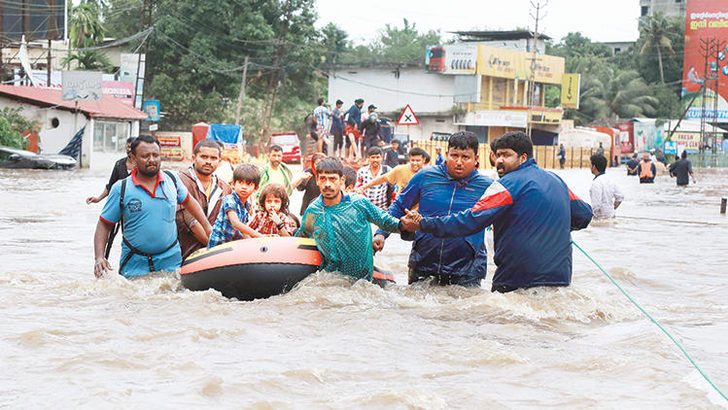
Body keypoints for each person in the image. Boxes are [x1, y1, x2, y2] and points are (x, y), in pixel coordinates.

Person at [400, 131, 593, 293]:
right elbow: (584, 215)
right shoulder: (556, 181)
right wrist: (548, 225)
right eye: (497, 155)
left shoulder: (506, 185)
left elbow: (471, 220)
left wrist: (423, 223)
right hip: (560, 278)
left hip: (515, 279)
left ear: (523, 158)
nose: (499, 161)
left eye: (506, 155)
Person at [373, 132, 493, 287]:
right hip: (424, 262)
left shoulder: (487, 186)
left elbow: (504, 221)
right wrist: (381, 234)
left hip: (467, 270)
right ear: (446, 154)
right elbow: (399, 206)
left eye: (465, 157)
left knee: (464, 309)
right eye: (454, 155)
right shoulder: (425, 176)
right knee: (417, 308)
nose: (458, 162)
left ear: (476, 159)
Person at [92, 135, 212, 278]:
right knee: (133, 298)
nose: (152, 160)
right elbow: (104, 224)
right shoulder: (121, 188)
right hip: (134, 263)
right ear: (134, 158)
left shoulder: (172, 181)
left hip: (170, 261)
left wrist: (207, 227)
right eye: (145, 156)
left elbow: (190, 202)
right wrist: (99, 257)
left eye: (155, 155)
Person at [295, 158, 403, 280]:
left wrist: (405, 225)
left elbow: (385, 221)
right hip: (330, 281)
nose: (327, 184)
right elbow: (302, 235)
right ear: (317, 181)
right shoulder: (313, 210)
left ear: (342, 180)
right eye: (323, 178)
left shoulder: (358, 203)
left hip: (361, 282)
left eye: (332, 179)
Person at [176, 140, 233, 260]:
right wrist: (217, 249)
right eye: (204, 157)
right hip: (185, 253)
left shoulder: (225, 188)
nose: (208, 161)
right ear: (194, 158)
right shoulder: (180, 181)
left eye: (213, 158)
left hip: (215, 255)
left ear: (219, 161)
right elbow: (188, 221)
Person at [207, 164, 263, 248]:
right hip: (218, 247)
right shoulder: (229, 199)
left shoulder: (246, 206)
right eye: (240, 182)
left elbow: (242, 231)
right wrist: (259, 236)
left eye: (249, 184)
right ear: (233, 184)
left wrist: (255, 240)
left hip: (231, 246)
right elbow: (235, 223)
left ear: (256, 188)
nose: (244, 187)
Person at [356, 147, 428, 196]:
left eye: (418, 161)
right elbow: (383, 178)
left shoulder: (428, 174)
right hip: (401, 208)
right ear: (409, 159)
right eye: (413, 160)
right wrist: (364, 187)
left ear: (424, 160)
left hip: (418, 211)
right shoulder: (400, 170)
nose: (415, 163)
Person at [86, 136, 136, 204]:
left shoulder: (142, 166)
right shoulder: (119, 164)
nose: (130, 149)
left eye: (133, 147)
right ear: (126, 148)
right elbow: (111, 185)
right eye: (129, 147)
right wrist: (98, 199)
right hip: (120, 203)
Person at [589, 154, 624, 219]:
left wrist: (592, 217)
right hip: (611, 215)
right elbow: (620, 197)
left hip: (600, 217)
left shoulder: (596, 183)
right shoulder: (610, 180)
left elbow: (596, 205)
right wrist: (611, 209)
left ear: (594, 166)